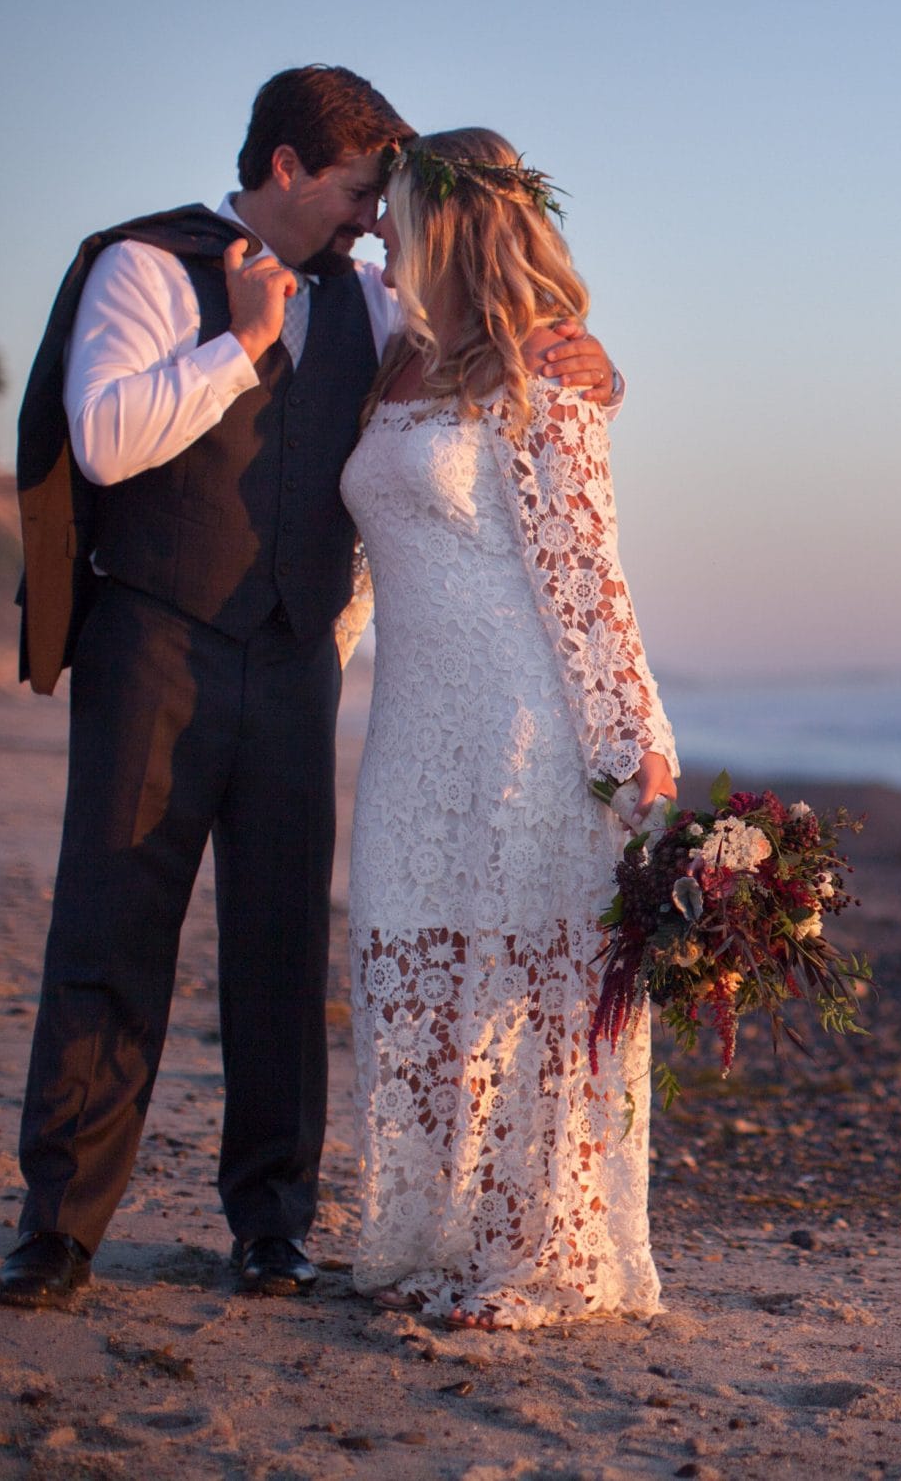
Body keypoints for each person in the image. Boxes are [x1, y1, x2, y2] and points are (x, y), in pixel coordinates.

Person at [0, 69, 621, 1309]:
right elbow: (107, 436)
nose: (367, 217)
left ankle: (271, 1224)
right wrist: (240, 342)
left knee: (279, 953)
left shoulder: (377, 302)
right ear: (284, 168)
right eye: (353, 190)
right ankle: (59, 1226)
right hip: (154, 646)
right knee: (112, 930)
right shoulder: (145, 268)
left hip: (293, 661)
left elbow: (485, 372)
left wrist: (593, 360)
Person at [341, 127, 675, 1329]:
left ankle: (539, 1258)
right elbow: (368, 562)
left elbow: (589, 571)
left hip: (526, 720)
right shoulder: (397, 358)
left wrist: (635, 739)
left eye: (391, 213)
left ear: (446, 224)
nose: (376, 228)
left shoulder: (539, 368)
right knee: (416, 967)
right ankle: (433, 1231)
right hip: (412, 724)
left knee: (529, 989)